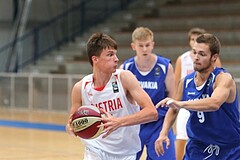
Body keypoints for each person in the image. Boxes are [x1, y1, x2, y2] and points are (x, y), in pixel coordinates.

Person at [65, 32, 158, 160]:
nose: (116, 59)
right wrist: (72, 128)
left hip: (125, 152)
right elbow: (71, 123)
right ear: (95, 59)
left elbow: (152, 112)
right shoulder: (80, 88)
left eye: (115, 54)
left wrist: (118, 122)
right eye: (110, 55)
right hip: (95, 149)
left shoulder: (125, 78)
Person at [155, 33, 240, 160]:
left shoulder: (223, 79)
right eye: (194, 52)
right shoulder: (185, 82)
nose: (196, 57)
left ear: (214, 57)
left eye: (202, 54)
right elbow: (173, 108)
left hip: (228, 148)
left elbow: (214, 103)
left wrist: (181, 104)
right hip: (198, 147)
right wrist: (163, 133)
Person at [119, 27, 176, 160]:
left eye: (147, 45)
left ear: (153, 45)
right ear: (133, 46)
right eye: (141, 45)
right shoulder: (125, 68)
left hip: (158, 123)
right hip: (134, 124)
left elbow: (172, 99)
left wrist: (166, 129)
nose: (144, 49)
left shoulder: (165, 66)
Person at [174, 27, 222, 160]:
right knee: (182, 136)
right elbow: (177, 81)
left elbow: (218, 78)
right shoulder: (182, 59)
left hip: (206, 101)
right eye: (193, 39)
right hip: (187, 100)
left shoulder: (221, 75)